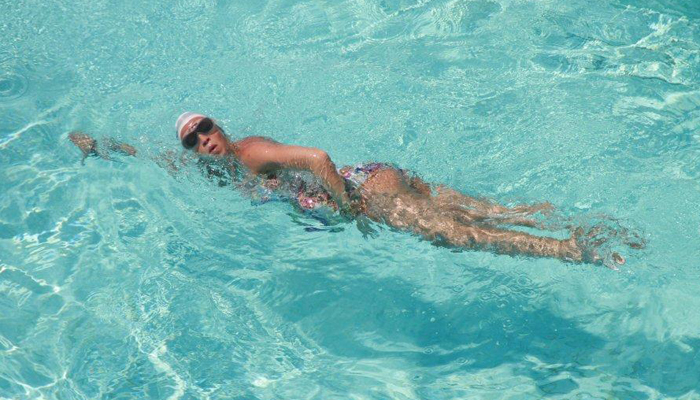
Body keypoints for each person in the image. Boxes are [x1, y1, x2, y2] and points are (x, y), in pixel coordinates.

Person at [69, 112, 643, 267]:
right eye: (194, 142)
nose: (202, 144)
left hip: (367, 190)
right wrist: (105, 147)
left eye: (205, 131)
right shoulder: (211, 165)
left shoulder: (248, 153)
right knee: (496, 211)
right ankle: (575, 223)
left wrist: (350, 210)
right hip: (379, 175)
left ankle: (576, 248)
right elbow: (158, 159)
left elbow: (318, 159)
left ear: (220, 127)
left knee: (464, 238)